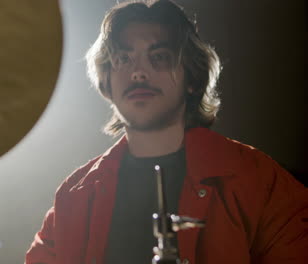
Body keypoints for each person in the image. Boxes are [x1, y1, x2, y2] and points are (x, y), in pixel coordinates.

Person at [25, 0, 308, 263]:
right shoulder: (74, 196)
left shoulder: (260, 181)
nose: (138, 72)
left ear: (192, 80)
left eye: (159, 57)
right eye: (123, 59)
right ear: (107, 82)